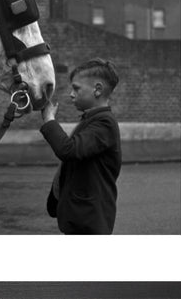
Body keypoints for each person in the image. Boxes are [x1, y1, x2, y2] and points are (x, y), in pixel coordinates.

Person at [40, 58, 121, 235]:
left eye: (76, 88)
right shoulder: (92, 119)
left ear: (97, 90)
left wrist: (49, 120)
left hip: (89, 221)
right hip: (80, 217)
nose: (71, 94)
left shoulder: (104, 123)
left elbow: (68, 150)